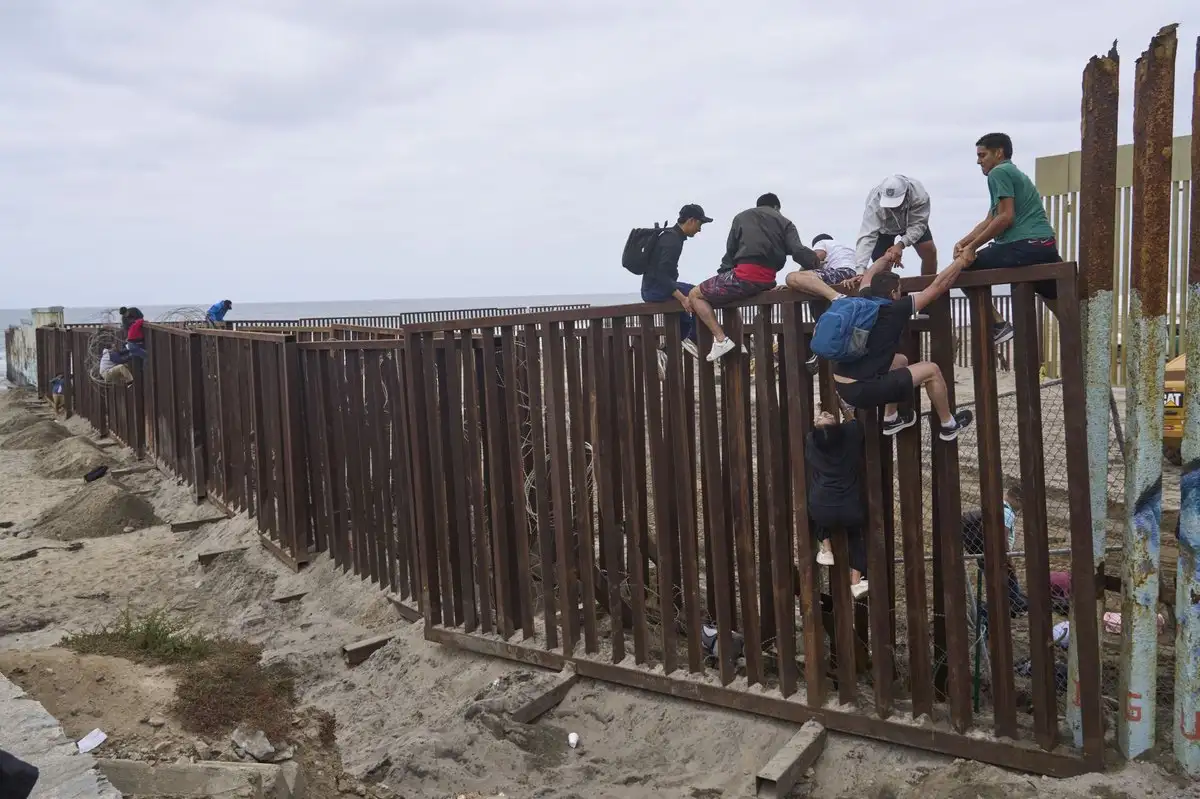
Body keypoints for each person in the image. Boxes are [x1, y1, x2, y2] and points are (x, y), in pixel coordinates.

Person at [831, 256, 975, 439]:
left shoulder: (865, 298)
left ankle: (891, 418)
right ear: (893, 293)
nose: (901, 294)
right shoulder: (895, 309)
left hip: (841, 383)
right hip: (862, 390)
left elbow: (868, 275)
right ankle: (949, 425)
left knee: (900, 361)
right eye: (899, 290)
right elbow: (938, 286)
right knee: (932, 370)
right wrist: (961, 262)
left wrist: (887, 257)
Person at [954, 132, 1062, 345]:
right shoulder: (1014, 173)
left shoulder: (999, 172)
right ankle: (1078, 336)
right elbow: (992, 218)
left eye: (982, 155)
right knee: (1055, 298)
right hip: (1044, 247)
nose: (978, 161)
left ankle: (998, 325)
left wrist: (973, 248)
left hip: (1023, 247)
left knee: (963, 272)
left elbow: (1005, 218)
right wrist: (964, 242)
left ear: (998, 153)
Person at [689, 193, 820, 362]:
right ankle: (738, 341)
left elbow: (730, 253)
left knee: (695, 294)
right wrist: (816, 265)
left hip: (745, 276)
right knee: (730, 298)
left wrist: (724, 275)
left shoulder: (741, 217)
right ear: (776, 207)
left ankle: (721, 340)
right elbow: (798, 251)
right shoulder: (786, 222)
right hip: (767, 280)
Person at [786, 236, 893, 372]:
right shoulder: (845, 249)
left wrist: (797, 278)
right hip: (856, 277)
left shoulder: (823, 242)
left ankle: (838, 299)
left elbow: (813, 259)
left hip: (842, 273)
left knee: (793, 277)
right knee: (818, 295)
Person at [640, 204, 711, 374]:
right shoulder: (672, 240)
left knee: (684, 316)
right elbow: (662, 274)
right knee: (698, 294)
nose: (699, 229)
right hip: (656, 289)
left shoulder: (671, 237)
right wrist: (682, 298)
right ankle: (692, 338)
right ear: (691, 220)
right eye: (700, 224)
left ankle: (665, 351)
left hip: (653, 287)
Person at [807, 409, 869, 598]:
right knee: (855, 536)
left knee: (816, 513)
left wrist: (821, 423)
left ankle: (826, 548)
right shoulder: (850, 436)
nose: (823, 413)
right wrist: (844, 410)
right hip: (849, 507)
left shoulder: (811, 441)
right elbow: (855, 423)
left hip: (822, 507)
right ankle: (856, 580)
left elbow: (821, 435)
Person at [855, 175, 937, 275]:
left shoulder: (919, 195)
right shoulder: (874, 202)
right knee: (882, 265)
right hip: (884, 229)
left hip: (911, 222)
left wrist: (900, 245)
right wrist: (860, 270)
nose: (893, 208)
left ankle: (928, 286)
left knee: (929, 250)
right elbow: (867, 235)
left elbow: (919, 225)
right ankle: (886, 289)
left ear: (906, 194)